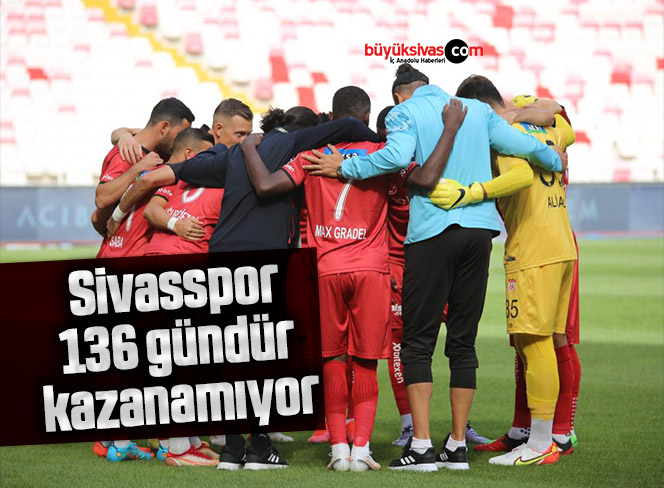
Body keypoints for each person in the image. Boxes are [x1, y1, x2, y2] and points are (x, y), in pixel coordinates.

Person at [300, 63, 565, 472]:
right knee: (463, 341)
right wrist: (553, 158)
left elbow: (395, 156)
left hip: (432, 232)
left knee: (417, 342)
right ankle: (457, 446)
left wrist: (345, 167)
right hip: (479, 233)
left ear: (399, 95)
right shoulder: (477, 110)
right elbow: (521, 144)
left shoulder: (405, 112)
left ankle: (421, 446)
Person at [105, 106, 380, 470]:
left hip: (221, 256)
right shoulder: (295, 144)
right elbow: (347, 125)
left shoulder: (232, 154)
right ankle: (260, 448)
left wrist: (116, 214)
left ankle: (232, 449)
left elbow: (164, 174)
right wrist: (380, 142)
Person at [239, 86, 466, 472]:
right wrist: (450, 130)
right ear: (367, 118)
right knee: (365, 362)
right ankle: (361, 449)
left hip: (325, 269)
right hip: (370, 270)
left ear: (331, 118)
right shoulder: (385, 156)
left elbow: (268, 186)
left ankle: (338, 450)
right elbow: (426, 178)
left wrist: (248, 148)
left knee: (332, 360)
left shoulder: (310, 156)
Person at [429, 75, 577, 466]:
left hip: (532, 248)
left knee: (534, 343)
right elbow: (566, 123)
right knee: (544, 342)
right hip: (562, 243)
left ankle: (540, 444)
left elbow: (520, 176)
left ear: (477, 107)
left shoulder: (501, 135)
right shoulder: (547, 128)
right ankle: (543, 437)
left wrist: (472, 192)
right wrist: (529, 108)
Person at [94, 98, 195, 258]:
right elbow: (101, 199)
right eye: (179, 135)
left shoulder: (160, 153)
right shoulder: (126, 153)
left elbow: (126, 132)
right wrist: (138, 168)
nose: (181, 141)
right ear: (164, 128)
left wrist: (123, 133)